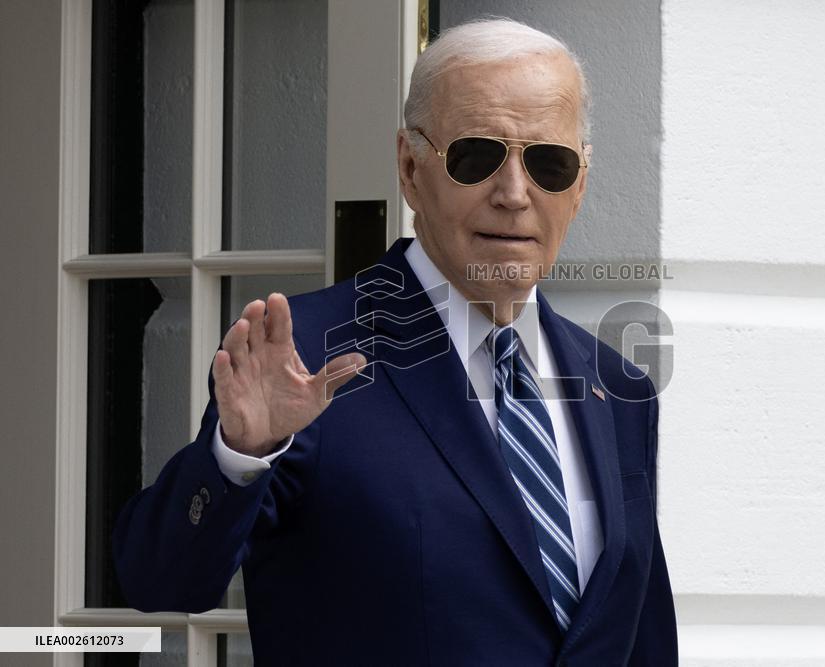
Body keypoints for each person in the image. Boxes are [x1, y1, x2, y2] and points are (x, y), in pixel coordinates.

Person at [113, 18, 678, 666]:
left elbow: (641, 637)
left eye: (549, 164)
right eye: (476, 157)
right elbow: (161, 582)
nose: (514, 194)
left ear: (578, 187)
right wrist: (240, 455)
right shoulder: (307, 357)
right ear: (410, 168)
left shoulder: (616, 386)